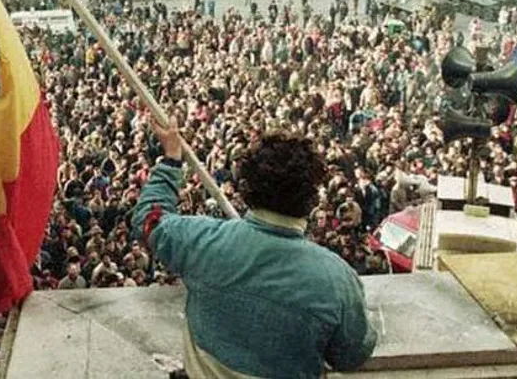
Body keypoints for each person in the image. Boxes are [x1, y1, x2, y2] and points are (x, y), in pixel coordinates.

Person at [132, 119, 377, 378]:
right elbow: (351, 356)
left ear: (246, 188)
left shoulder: (201, 242)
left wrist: (171, 159)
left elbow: (150, 218)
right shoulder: (337, 279)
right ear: (312, 198)